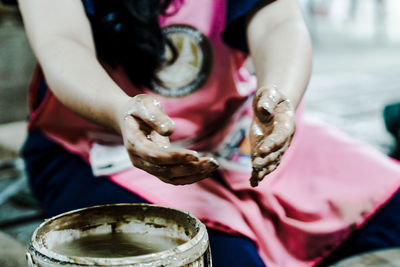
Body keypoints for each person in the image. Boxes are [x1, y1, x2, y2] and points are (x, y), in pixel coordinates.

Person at [18, 0, 400, 266]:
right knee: (217, 257)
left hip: (233, 126)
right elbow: (62, 42)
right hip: (101, 146)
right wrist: (120, 111)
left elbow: (277, 21)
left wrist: (279, 96)